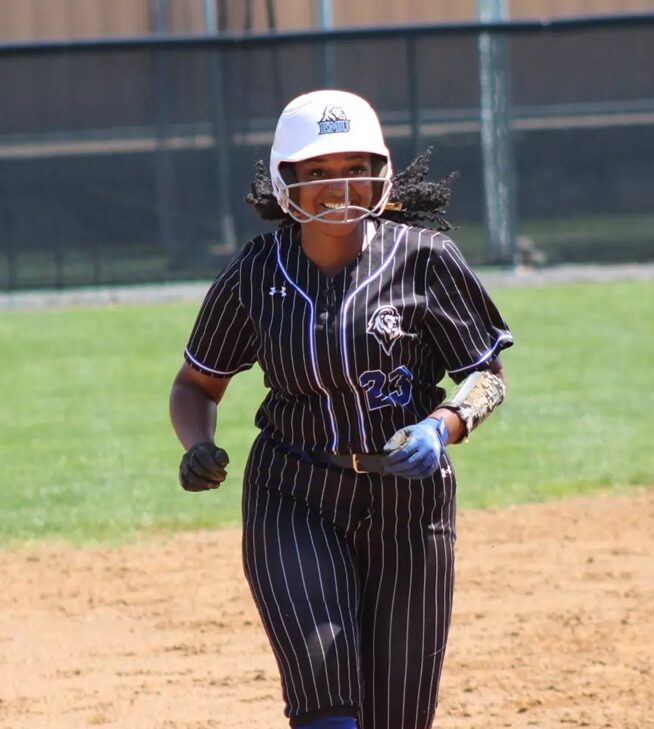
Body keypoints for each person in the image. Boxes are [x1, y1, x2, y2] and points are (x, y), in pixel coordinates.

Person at [169, 89, 513, 729]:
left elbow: (486, 378)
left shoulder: (425, 261)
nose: (340, 187)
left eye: (355, 168)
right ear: (285, 182)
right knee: (326, 700)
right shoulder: (254, 275)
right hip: (294, 494)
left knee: (398, 718)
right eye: (318, 173)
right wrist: (197, 443)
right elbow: (195, 385)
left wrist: (444, 425)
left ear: (379, 174)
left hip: (412, 510)